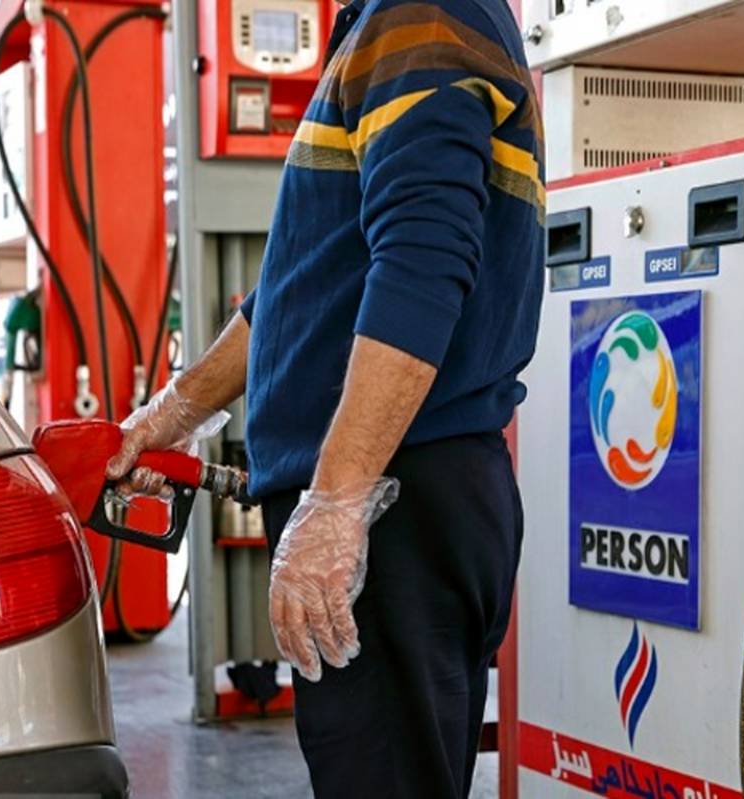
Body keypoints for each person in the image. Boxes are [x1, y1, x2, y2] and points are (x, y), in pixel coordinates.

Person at [107, 0, 544, 794]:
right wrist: (174, 411)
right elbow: (295, 291)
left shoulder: (421, 14)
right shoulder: (382, 27)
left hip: (394, 508)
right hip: (398, 500)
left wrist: (339, 501)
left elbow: (421, 261)